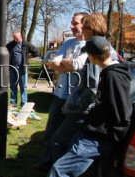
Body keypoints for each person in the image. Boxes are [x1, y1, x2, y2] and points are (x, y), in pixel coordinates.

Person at [17, 36, 132, 177]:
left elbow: (122, 115)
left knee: (59, 172)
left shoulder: (113, 76)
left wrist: (111, 140)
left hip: (96, 138)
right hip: (89, 132)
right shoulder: (111, 71)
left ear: (93, 56)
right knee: (57, 161)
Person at [48, 13, 121, 163]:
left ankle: (59, 174)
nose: (74, 27)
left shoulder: (97, 49)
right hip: (79, 103)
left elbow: (92, 83)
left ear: (90, 28)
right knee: (63, 139)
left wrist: (79, 104)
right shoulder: (94, 46)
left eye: (83, 26)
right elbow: (54, 63)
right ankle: (58, 171)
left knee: (60, 140)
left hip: (83, 108)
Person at [37, 13, 87, 170]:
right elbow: (52, 63)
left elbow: (77, 65)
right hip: (59, 95)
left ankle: (59, 168)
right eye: (72, 22)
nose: (71, 26)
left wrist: (63, 63)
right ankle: (45, 164)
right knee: (51, 131)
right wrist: (66, 64)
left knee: (66, 136)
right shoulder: (69, 42)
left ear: (85, 25)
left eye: (75, 23)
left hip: (75, 98)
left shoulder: (90, 45)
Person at [6, 31, 41, 108]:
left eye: (16, 38)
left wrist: (28, 57)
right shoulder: (11, 45)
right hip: (13, 68)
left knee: (23, 86)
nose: (15, 39)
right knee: (13, 85)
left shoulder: (26, 44)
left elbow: (37, 53)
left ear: (20, 36)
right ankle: (13, 103)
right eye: (14, 38)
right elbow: (4, 51)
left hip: (23, 69)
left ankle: (24, 104)